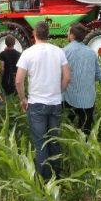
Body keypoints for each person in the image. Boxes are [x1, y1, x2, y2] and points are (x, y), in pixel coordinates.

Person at [15, 21, 71, 180]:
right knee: (54, 140)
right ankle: (57, 177)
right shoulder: (59, 51)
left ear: (34, 33)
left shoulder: (28, 53)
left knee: (40, 143)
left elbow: (19, 81)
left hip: (36, 104)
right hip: (55, 104)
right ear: (48, 34)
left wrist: (23, 99)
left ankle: (45, 180)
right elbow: (67, 77)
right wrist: (58, 91)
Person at [62, 24, 101, 135]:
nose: (67, 34)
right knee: (85, 129)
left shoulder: (64, 52)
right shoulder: (91, 52)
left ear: (72, 36)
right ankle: (86, 147)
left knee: (68, 126)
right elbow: (99, 75)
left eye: (68, 32)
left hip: (68, 98)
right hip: (87, 99)